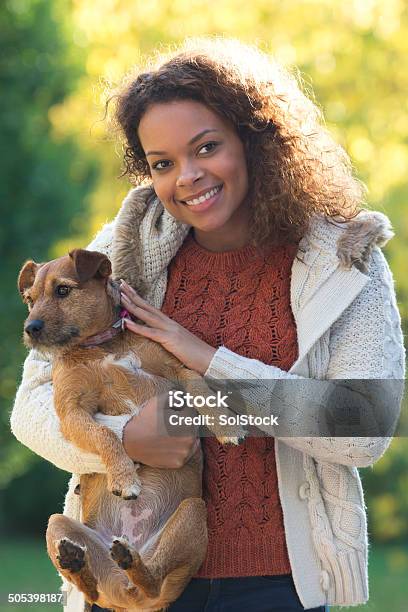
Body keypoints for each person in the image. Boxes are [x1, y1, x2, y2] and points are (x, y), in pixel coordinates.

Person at [11, 38, 404, 612]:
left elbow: (365, 426)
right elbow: (29, 408)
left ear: (256, 138)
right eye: (162, 163)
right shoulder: (122, 249)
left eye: (207, 147)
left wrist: (207, 360)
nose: (187, 177)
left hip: (273, 585)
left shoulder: (342, 262)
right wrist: (123, 441)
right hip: (119, 572)